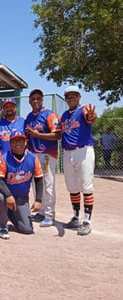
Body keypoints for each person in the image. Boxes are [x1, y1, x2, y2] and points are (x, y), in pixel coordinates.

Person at [60, 85, 97, 236]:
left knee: (86, 186)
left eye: (74, 95)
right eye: (68, 96)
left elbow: (90, 117)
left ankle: (87, 221)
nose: (71, 99)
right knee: (73, 187)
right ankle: (76, 217)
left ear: (79, 97)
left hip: (83, 150)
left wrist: (91, 116)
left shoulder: (83, 110)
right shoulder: (63, 115)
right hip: (68, 153)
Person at [0, 130, 44, 239]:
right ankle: (2, 224)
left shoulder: (33, 158)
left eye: (21, 140)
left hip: (22, 197)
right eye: (14, 141)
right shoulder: (3, 158)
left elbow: (39, 180)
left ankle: (10, 213)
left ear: (25, 142)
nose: (18, 143)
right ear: (10, 143)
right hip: (5, 193)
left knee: (27, 229)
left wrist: (38, 200)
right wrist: (8, 196)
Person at [24, 89, 61, 227]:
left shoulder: (49, 115)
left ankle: (50, 215)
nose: (35, 101)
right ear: (29, 101)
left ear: (42, 99)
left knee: (48, 183)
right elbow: (27, 137)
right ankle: (42, 211)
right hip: (33, 155)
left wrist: (37, 134)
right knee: (37, 183)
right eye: (33, 99)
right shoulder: (29, 117)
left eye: (38, 98)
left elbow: (57, 135)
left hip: (47, 154)